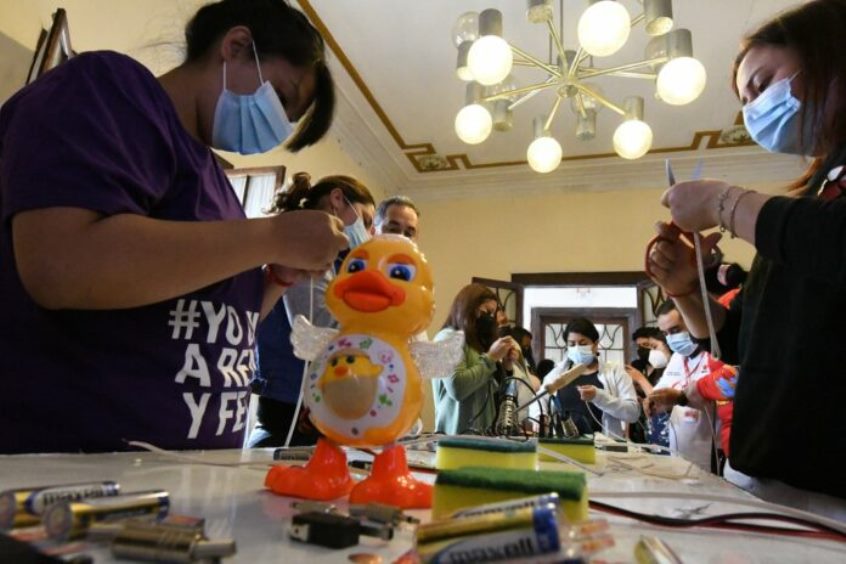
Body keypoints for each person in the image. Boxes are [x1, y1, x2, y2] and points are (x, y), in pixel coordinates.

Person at [0, 0, 348, 453]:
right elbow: (61, 264)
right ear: (237, 46)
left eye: (289, 119)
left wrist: (274, 281)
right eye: (281, 98)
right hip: (64, 478)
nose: (279, 126)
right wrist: (272, 235)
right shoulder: (109, 88)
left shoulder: (215, 183)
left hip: (173, 490)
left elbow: (203, 322)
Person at [647, 0, 846, 515]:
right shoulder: (810, 203)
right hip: (761, 475)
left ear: (825, 51)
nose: (755, 108)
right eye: (746, 99)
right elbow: (740, 340)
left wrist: (722, 203)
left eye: (762, 84)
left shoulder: (808, 221)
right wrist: (686, 288)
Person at [248, 173, 375, 447]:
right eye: (365, 221)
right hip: (286, 416)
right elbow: (319, 327)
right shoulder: (304, 248)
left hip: (307, 413)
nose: (369, 233)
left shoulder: (330, 262)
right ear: (337, 200)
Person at [432, 284, 520, 434]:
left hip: (483, 436)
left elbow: (495, 393)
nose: (490, 319)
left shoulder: (477, 344)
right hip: (455, 439)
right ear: (468, 308)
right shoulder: (448, 338)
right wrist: (490, 358)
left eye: (493, 313)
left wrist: (507, 367)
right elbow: (457, 388)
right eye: (486, 311)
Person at [644, 302, 717, 471]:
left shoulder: (716, 354)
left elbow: (723, 398)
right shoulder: (677, 357)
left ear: (693, 321)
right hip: (679, 448)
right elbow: (662, 388)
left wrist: (680, 397)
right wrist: (653, 401)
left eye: (675, 330)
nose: (671, 339)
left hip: (711, 449)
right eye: (666, 334)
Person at [543, 317, 639, 439]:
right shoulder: (558, 373)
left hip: (604, 447)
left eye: (583, 344)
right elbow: (539, 399)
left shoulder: (615, 372)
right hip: (563, 445)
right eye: (572, 344)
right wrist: (541, 417)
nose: (577, 348)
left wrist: (599, 397)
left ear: (595, 344)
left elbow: (633, 413)